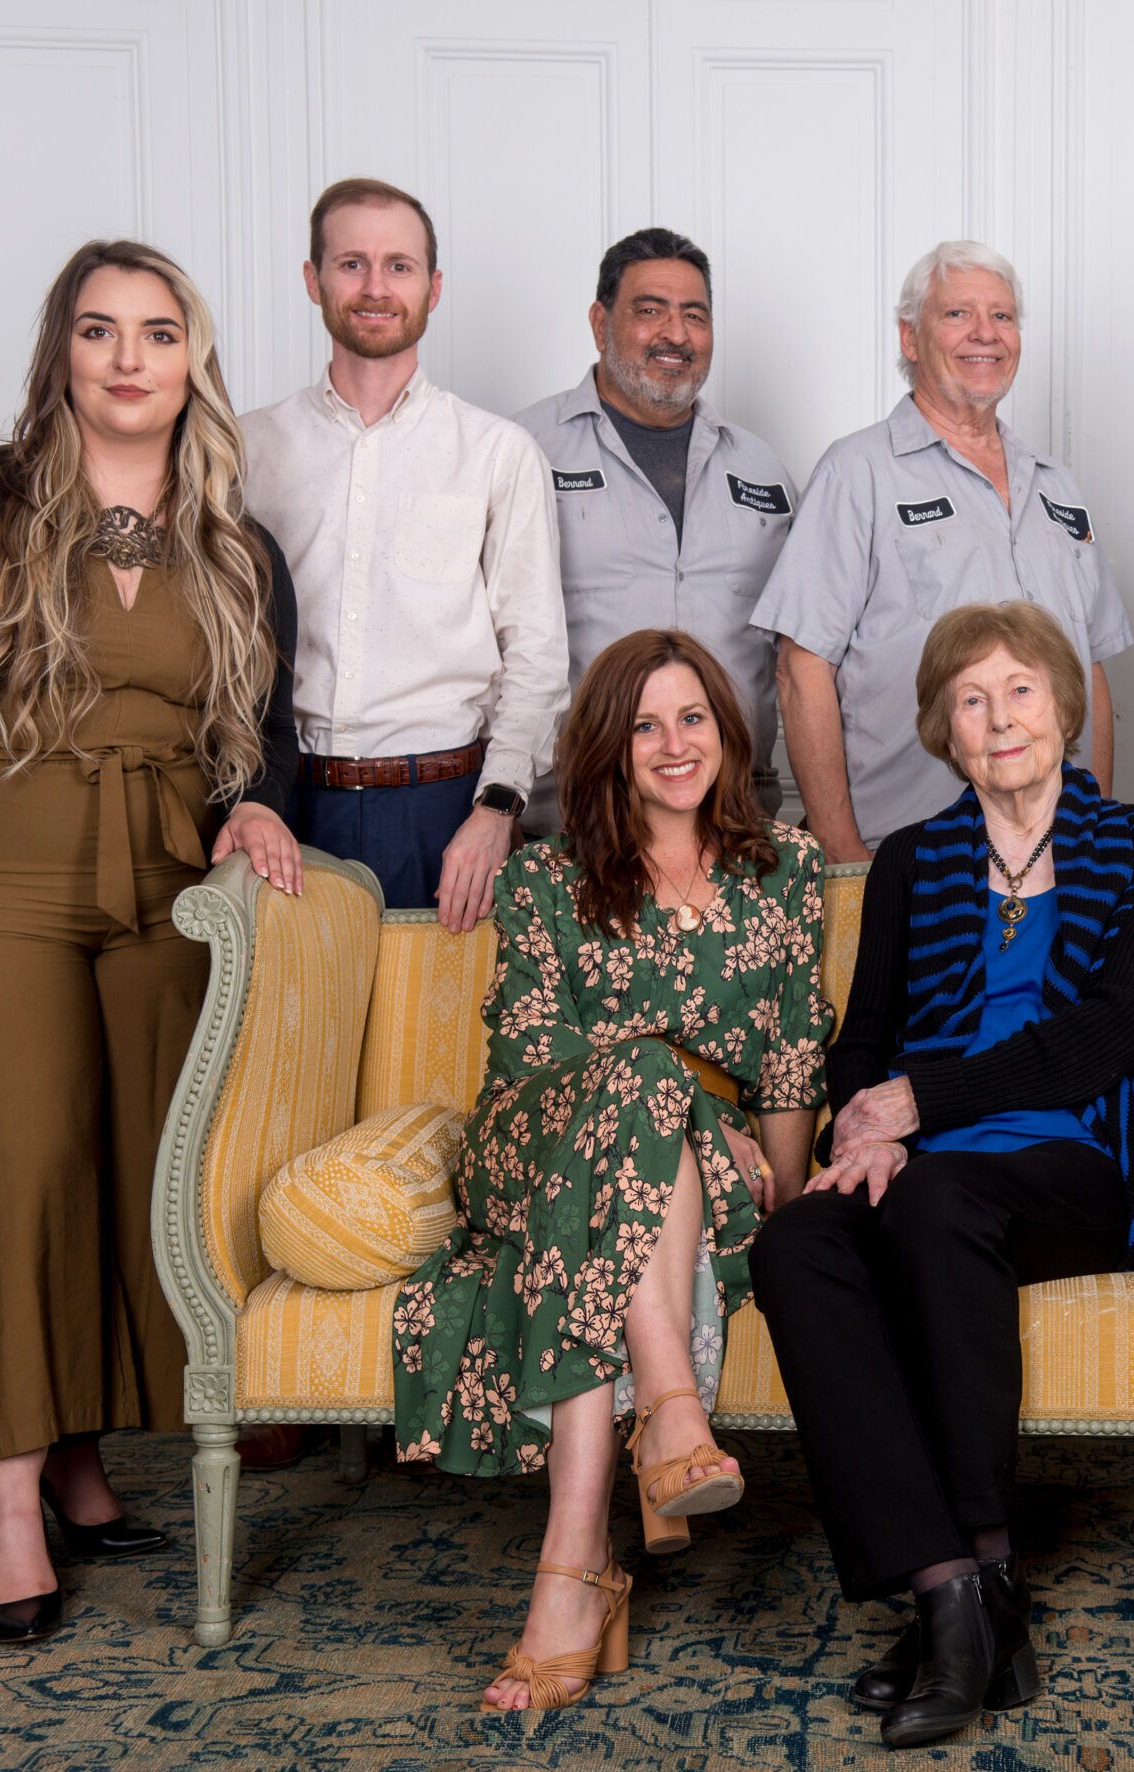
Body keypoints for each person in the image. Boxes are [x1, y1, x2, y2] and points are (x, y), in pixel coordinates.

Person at [0, 240, 301, 1640]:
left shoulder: (236, 542)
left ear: (191, 359)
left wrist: (260, 805)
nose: (128, 358)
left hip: (167, 889)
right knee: (16, 1160)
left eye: (157, 332)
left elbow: (267, 729)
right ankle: (3, 1497)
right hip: (1, 875)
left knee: (132, 1171)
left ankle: (79, 1452)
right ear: (62, 353)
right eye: (99, 331)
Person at [750, 601, 1134, 1749]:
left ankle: (980, 1571)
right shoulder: (913, 858)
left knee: (938, 1201)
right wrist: (863, 1129)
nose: (999, 718)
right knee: (795, 1242)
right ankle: (958, 1592)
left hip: (1083, 1164)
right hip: (927, 1170)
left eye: (1020, 690)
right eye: (971, 699)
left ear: (1065, 707)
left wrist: (920, 1104)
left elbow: (1107, 1039)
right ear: (944, 728)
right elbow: (861, 1039)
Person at [392, 629, 831, 1711]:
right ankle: (671, 1409)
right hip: (532, 1144)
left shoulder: (786, 869)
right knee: (639, 1085)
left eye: (692, 718)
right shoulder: (546, 875)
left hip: (690, 1180)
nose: (674, 745)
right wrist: (689, 1106)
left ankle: (575, 1574)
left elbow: (790, 1059)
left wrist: (782, 1217)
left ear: (726, 732)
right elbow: (532, 1051)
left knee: (625, 1177)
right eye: (644, 726)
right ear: (607, 747)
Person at [243, 175, 567, 930]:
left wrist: (496, 809)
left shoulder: (496, 453)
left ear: (433, 287)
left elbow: (536, 654)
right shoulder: (246, 450)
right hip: (284, 805)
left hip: (447, 813)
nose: (375, 287)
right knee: (292, 1011)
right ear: (313, 280)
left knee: (443, 1013)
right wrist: (245, 800)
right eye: (351, 263)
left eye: (399, 266)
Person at [753, 242, 1134, 857]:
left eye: (1002, 316)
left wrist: (1096, 840)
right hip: (912, 852)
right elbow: (802, 667)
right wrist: (843, 851)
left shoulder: (1056, 486)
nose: (986, 333)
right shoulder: (857, 473)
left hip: (1060, 854)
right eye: (958, 314)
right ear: (910, 338)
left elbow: (1090, 669)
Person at [513, 228, 793, 816]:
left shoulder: (762, 468)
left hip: (736, 815)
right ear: (600, 324)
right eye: (649, 311)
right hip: (574, 816)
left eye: (695, 315)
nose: (676, 334)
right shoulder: (522, 451)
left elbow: (800, 653)